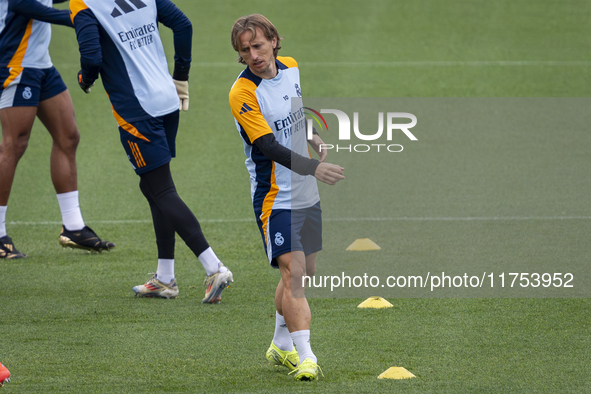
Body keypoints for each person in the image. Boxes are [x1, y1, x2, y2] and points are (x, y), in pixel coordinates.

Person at [69, 0, 233, 303]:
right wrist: (180, 75)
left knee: (161, 188)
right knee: (152, 187)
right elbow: (183, 24)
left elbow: (91, 57)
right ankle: (165, 278)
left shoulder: (82, 4)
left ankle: (214, 267)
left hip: (137, 112)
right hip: (167, 100)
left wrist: (85, 78)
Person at [229, 14, 345, 380]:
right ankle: (305, 356)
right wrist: (314, 168)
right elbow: (267, 146)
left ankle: (280, 343)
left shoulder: (291, 68)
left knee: (304, 272)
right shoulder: (242, 93)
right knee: (293, 272)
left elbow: (293, 109)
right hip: (274, 197)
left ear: (275, 41)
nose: (254, 55)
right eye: (245, 50)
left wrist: (312, 134)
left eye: (258, 45)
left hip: (305, 194)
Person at [0, 0, 114, 258]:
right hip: (15, 63)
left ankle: (73, 227)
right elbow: (26, 5)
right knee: (14, 143)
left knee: (68, 136)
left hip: (40, 64)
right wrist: (78, 19)